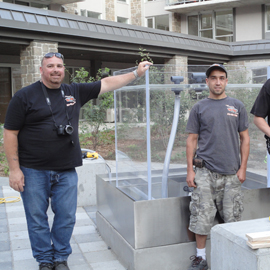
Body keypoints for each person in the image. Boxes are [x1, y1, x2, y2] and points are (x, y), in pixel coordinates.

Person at [3, 52, 152, 270]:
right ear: (41, 70)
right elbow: (10, 133)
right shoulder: (24, 96)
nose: (56, 69)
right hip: (33, 170)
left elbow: (107, 83)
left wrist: (136, 73)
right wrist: (14, 170)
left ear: (64, 69)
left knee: (66, 217)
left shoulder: (73, 92)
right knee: (37, 219)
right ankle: (45, 260)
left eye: (60, 66)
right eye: (50, 66)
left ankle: (60, 257)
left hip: (66, 170)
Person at [185, 64, 250, 270]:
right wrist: (190, 170)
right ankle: (201, 259)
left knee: (233, 219)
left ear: (226, 81)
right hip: (204, 172)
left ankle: (233, 257)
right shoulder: (199, 108)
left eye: (222, 78)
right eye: (213, 78)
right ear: (207, 82)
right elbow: (191, 140)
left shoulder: (237, 106)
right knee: (202, 216)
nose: (218, 82)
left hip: (232, 174)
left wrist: (243, 169)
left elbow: (245, 139)